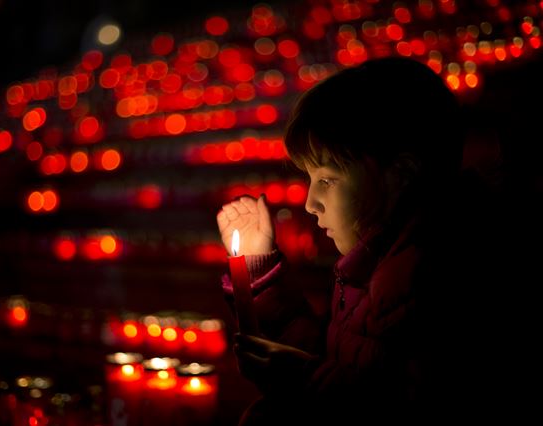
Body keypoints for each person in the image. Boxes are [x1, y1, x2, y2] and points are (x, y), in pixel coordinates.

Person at [216, 57, 508, 424]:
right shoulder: (376, 264)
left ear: (400, 174)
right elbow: (341, 361)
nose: (309, 203)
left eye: (327, 180)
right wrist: (262, 275)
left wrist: (304, 382)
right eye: (308, 179)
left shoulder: (441, 276)